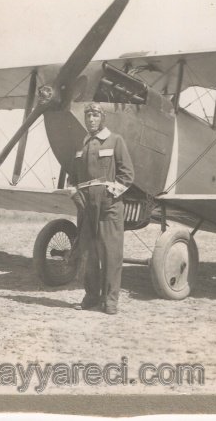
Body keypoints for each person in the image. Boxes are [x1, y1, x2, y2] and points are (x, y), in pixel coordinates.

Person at [69, 102, 134, 315]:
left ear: (102, 118)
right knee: (88, 253)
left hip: (108, 205)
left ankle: (110, 301)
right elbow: (72, 177)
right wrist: (75, 194)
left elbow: (127, 174)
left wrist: (110, 194)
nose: (91, 119)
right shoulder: (81, 145)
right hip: (85, 204)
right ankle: (91, 297)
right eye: (88, 115)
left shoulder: (115, 140)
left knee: (110, 254)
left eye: (95, 115)